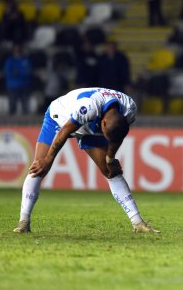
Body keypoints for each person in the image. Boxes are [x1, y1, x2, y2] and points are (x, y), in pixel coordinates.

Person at [13, 87, 159, 234]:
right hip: (60, 120)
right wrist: (48, 159)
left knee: (110, 171)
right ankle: (24, 222)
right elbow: (65, 131)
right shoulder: (88, 106)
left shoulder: (129, 108)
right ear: (103, 125)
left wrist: (110, 158)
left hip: (91, 126)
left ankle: (138, 223)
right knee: (39, 167)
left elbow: (117, 137)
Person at [3, 44, 32, 115]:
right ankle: (11, 123)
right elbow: (8, 73)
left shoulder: (25, 60)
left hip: (24, 85)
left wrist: (18, 72)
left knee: (25, 107)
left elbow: (28, 72)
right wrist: (19, 72)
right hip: (12, 86)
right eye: (16, 50)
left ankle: (26, 124)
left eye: (19, 50)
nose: (17, 52)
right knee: (12, 106)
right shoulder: (9, 61)